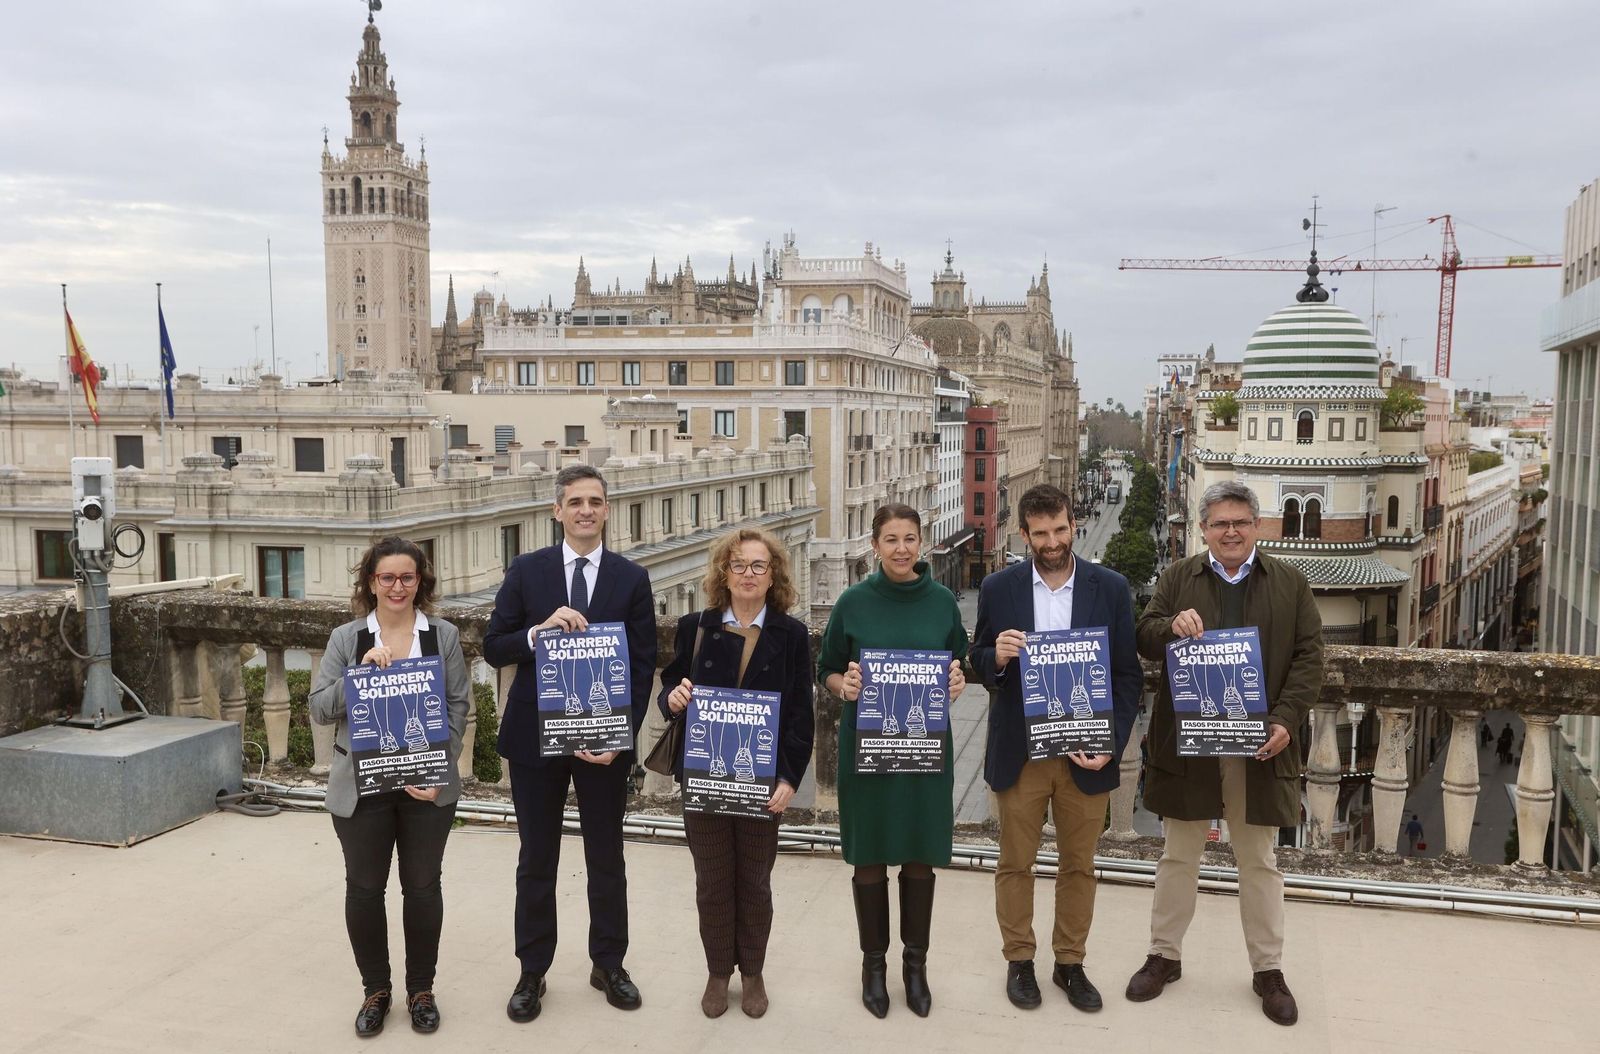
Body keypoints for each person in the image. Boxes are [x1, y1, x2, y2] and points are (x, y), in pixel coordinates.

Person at [1126, 481, 1323, 1028]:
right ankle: (1164, 955)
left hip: (1258, 748)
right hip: (1190, 744)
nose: (1230, 532)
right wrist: (1171, 627)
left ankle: (1268, 970)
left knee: (1258, 860)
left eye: (1240, 522)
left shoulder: (1290, 582)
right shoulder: (1177, 577)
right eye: (1220, 523)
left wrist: (1285, 719)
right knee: (1178, 855)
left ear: (1256, 526)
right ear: (1204, 530)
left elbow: (1310, 657)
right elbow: (1144, 635)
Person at [484, 465, 658, 1022]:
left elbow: (642, 665)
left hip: (603, 742)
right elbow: (493, 645)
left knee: (606, 855)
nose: (586, 510)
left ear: (607, 510)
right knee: (537, 857)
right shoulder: (527, 570)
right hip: (535, 738)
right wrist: (537, 633)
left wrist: (620, 737)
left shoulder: (631, 578)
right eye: (576, 502)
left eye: (596, 502)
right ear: (557, 510)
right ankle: (532, 971)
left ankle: (609, 963)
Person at [970, 484, 1142, 1014]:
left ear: (1074, 525)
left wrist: (1110, 742)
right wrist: (996, 658)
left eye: (1060, 529)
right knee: (1014, 863)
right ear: (1024, 534)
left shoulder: (1110, 587)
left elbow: (1127, 676)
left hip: (1084, 754)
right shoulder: (997, 588)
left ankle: (1070, 963)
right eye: (1040, 533)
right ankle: (1019, 960)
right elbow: (978, 658)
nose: (1052, 541)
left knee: (1079, 866)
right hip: (1021, 754)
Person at [309, 536, 471, 1037]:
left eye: (407, 577)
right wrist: (356, 677)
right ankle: (375, 990)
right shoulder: (347, 638)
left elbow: (458, 707)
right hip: (362, 788)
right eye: (387, 577)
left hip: (425, 788)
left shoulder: (441, 635)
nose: (397, 586)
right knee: (364, 889)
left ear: (420, 581)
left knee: (422, 888)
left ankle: (421, 990)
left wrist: (438, 769)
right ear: (371, 582)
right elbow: (319, 708)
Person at [817, 503, 969, 1019]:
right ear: (875, 545)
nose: (901, 549)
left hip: (924, 752)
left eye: (909, 538)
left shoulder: (942, 601)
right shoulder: (853, 602)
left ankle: (915, 966)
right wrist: (844, 685)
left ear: (921, 542)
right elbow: (826, 668)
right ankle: (874, 966)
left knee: (920, 853)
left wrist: (956, 679)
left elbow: (958, 661)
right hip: (868, 751)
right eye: (891, 539)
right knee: (870, 855)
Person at [657, 528, 815, 1019]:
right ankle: (717, 972)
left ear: (773, 576)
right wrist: (672, 699)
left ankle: (753, 973)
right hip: (705, 779)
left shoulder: (791, 635)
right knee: (712, 881)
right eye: (738, 565)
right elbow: (671, 685)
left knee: (755, 882)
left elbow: (800, 716)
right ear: (723, 573)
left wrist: (788, 779)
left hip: (762, 784)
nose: (748, 574)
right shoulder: (695, 626)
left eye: (758, 566)